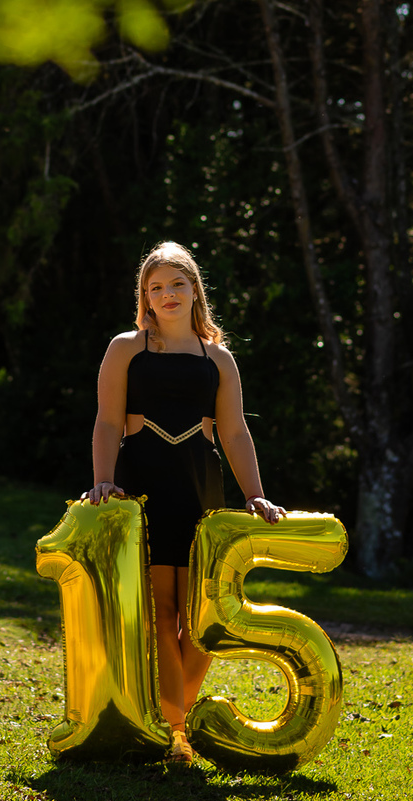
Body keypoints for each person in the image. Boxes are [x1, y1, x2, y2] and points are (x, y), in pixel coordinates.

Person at [83, 240, 285, 766]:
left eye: (177, 284)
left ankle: (174, 718)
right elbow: (107, 421)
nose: (167, 295)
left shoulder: (218, 358)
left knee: (200, 617)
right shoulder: (126, 348)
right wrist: (104, 480)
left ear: (196, 290)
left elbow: (236, 432)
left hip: (200, 484)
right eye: (156, 287)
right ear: (144, 298)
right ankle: (176, 731)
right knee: (159, 609)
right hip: (141, 482)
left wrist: (256, 493)